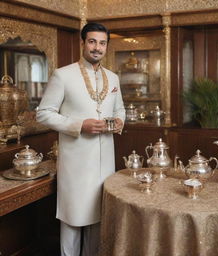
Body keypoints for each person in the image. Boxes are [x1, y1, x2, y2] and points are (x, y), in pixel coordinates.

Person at [36, 22, 125, 256]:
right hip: (75, 162)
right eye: (92, 41)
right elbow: (43, 114)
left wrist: (119, 121)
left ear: (106, 46)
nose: (97, 47)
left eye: (102, 43)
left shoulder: (113, 78)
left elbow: (120, 110)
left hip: (105, 162)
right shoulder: (63, 75)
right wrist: (79, 125)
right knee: (73, 219)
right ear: (83, 43)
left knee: (98, 220)